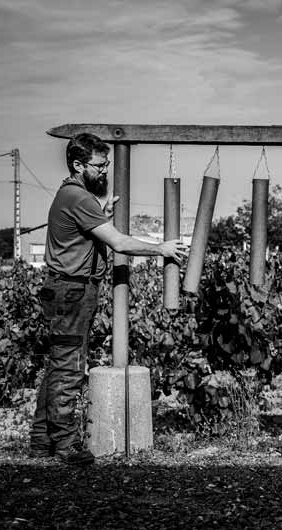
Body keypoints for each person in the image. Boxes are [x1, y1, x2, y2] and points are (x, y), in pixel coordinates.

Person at [31, 133, 188, 465]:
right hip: (72, 291)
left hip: (66, 289)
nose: (104, 172)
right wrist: (160, 249)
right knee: (69, 369)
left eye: (106, 165)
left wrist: (98, 209)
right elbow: (118, 242)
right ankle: (66, 446)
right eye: (99, 166)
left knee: (59, 366)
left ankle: (41, 441)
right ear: (78, 164)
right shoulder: (78, 198)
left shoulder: (74, 196)